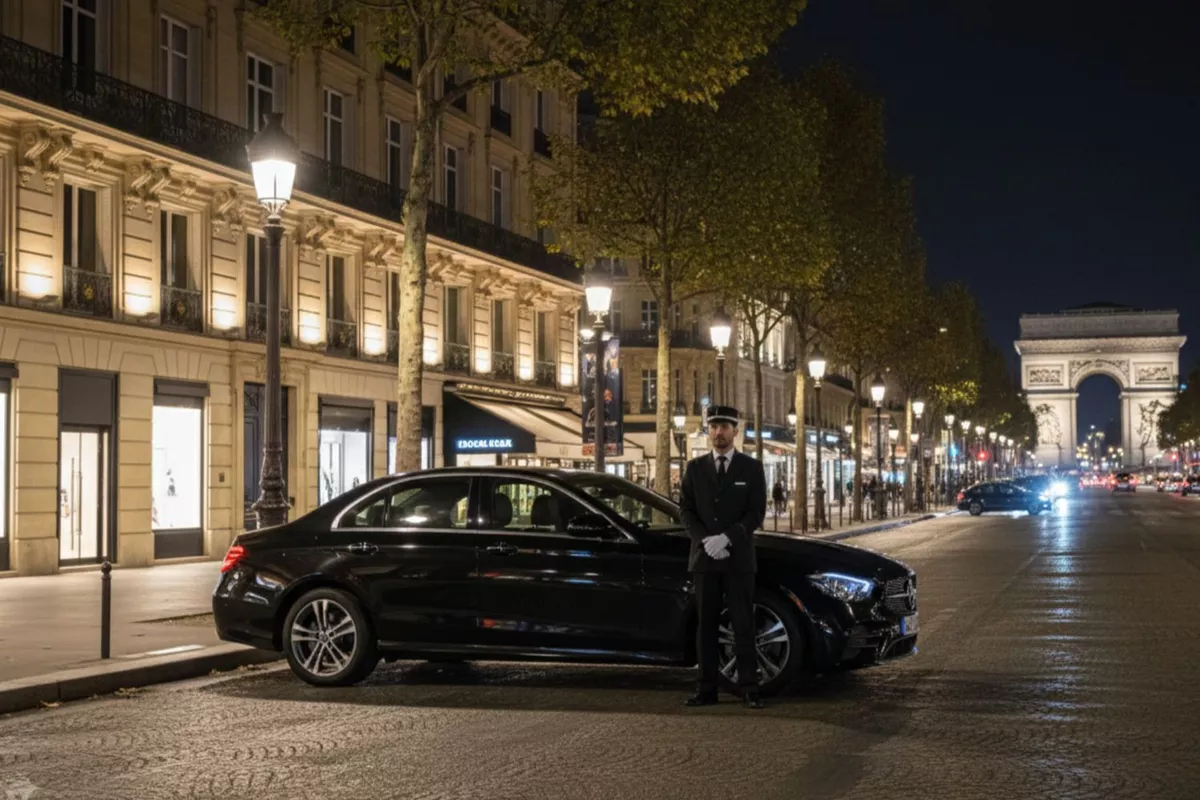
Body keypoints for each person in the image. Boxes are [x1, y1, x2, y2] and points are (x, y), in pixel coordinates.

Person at [678, 404, 768, 709]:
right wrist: (705, 540)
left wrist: (728, 538)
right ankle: (707, 688)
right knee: (706, 627)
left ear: (735, 431)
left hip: (738, 557)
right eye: (714, 426)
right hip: (704, 559)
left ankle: (749, 688)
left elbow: (757, 512)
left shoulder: (751, 468)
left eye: (724, 427)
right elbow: (686, 510)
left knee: (743, 624)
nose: (718, 432)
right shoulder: (695, 468)